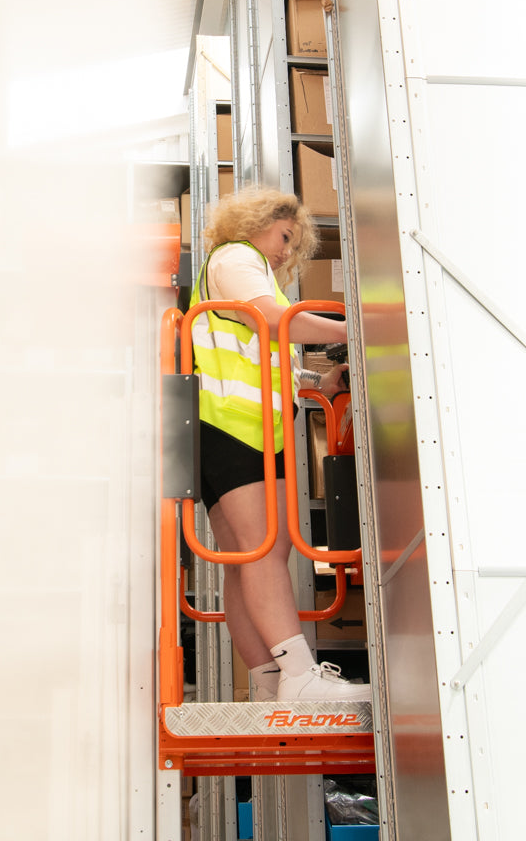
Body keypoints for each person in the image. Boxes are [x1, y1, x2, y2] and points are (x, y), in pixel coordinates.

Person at [190, 186, 370, 702]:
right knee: (266, 548)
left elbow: (263, 354)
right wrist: (354, 327)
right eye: (285, 236)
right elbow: (274, 321)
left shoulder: (234, 271)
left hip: (226, 427)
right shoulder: (237, 257)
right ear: (257, 221)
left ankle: (271, 681)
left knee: (246, 555)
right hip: (236, 428)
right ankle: (298, 677)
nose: (286, 251)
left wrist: (317, 388)